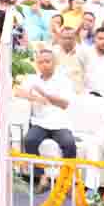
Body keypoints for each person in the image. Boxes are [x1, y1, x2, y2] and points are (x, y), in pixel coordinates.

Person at [15, 49, 77, 193]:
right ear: (37, 64)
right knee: (30, 140)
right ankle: (41, 177)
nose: (44, 65)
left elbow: (64, 104)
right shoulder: (32, 79)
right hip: (39, 122)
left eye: (47, 61)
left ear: (54, 62)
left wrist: (44, 94)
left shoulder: (63, 80)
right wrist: (35, 98)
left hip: (59, 122)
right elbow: (18, 92)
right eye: (41, 62)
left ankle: (67, 179)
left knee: (69, 143)